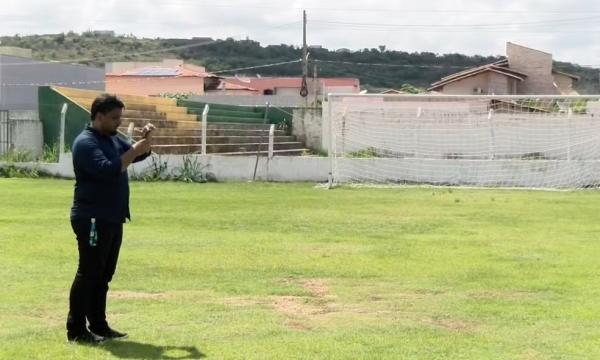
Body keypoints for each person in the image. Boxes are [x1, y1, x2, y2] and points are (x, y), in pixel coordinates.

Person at [66, 94, 155, 344]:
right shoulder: (85, 143)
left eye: (120, 117)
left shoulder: (113, 139)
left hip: (113, 217)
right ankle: (76, 330)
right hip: (92, 218)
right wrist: (135, 150)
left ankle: (99, 325)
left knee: (104, 274)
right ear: (99, 116)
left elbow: (138, 156)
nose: (119, 122)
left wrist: (144, 142)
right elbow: (108, 170)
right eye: (115, 118)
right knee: (89, 273)